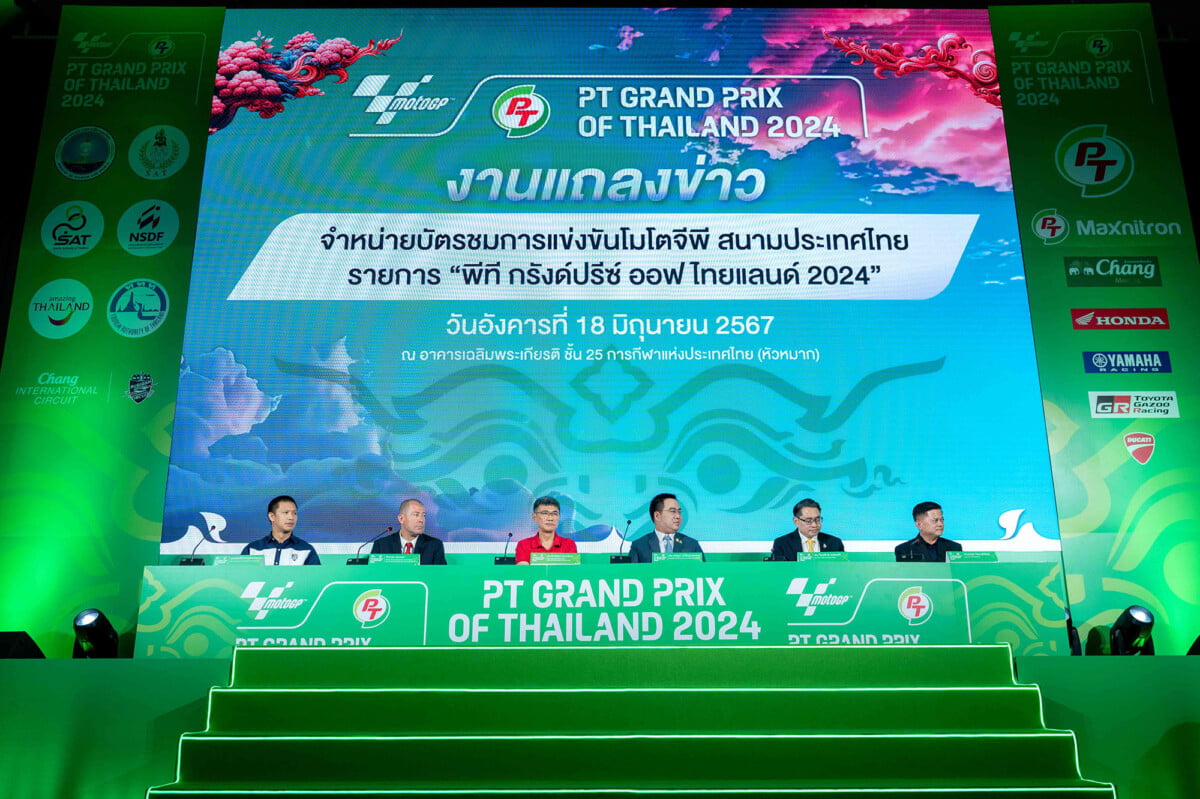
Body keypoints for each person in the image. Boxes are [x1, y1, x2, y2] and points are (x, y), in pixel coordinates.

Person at [242, 495, 321, 565]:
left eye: (294, 513)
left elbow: (315, 576)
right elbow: (241, 575)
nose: (291, 517)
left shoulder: (306, 549)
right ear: (272, 516)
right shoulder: (252, 549)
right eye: (286, 512)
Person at [629, 493, 704, 562]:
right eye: (673, 511)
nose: (678, 516)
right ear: (657, 516)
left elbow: (703, 571)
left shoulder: (691, 544)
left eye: (679, 512)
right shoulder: (639, 546)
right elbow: (631, 571)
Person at [371, 499, 446, 564]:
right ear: (401, 519)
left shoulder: (434, 545)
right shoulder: (381, 545)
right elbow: (374, 573)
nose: (421, 520)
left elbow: (440, 574)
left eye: (423, 515)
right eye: (416, 515)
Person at [770, 498, 845, 560]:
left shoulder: (835, 543)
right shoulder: (782, 543)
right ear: (796, 521)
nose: (814, 525)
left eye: (818, 519)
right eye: (808, 521)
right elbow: (779, 570)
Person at [515, 496, 577, 564]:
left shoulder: (569, 544)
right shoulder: (524, 545)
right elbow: (524, 569)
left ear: (559, 517)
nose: (550, 518)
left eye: (554, 514)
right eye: (545, 513)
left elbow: (569, 570)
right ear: (534, 517)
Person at [894, 501, 962, 562]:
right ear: (919, 524)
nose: (940, 524)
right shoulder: (905, 549)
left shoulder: (954, 547)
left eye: (942, 520)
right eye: (935, 520)